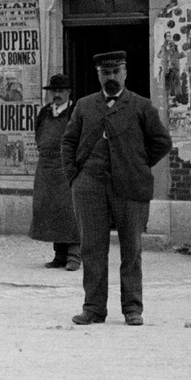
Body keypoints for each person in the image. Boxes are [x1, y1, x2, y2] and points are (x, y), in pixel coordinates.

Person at [60, 50, 173, 327]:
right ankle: (94, 309)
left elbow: (161, 142)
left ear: (125, 72)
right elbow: (68, 142)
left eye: (116, 71)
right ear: (98, 74)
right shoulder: (85, 106)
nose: (111, 77)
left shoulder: (142, 106)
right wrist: (75, 177)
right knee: (92, 249)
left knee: (131, 250)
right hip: (90, 188)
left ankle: (132, 309)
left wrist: (137, 164)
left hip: (131, 188)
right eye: (105, 72)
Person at [30, 73, 80, 271]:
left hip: (67, 169)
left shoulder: (76, 111)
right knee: (51, 211)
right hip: (46, 169)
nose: (56, 95)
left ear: (68, 92)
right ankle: (59, 255)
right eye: (53, 91)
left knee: (71, 212)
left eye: (60, 91)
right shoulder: (44, 113)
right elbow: (38, 136)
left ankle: (74, 256)